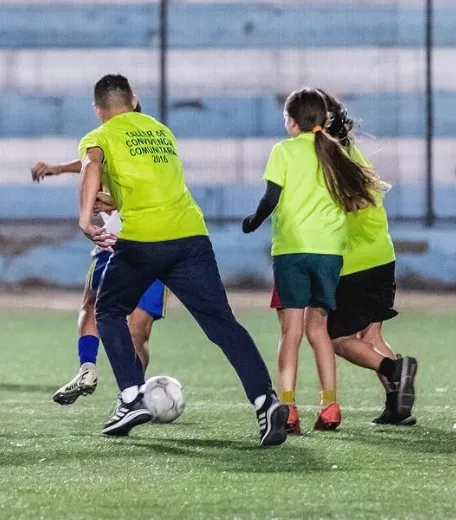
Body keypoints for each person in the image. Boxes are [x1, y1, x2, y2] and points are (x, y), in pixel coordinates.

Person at [78, 74, 287, 445]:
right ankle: (265, 400)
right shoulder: (161, 132)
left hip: (144, 240)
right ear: (133, 99)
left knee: (108, 311)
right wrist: (111, 200)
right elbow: (148, 190)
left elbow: (92, 165)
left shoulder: (101, 136)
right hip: (190, 236)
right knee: (223, 324)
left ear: (99, 110)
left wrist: (85, 216)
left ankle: (130, 398)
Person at [242, 87, 389, 433]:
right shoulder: (334, 151)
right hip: (329, 253)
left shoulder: (283, 151)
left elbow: (271, 197)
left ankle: (289, 407)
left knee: (290, 331)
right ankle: (330, 406)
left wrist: (252, 222)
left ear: (291, 122)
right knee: (319, 330)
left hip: (292, 250)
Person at [31, 102, 168, 405]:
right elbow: (90, 162)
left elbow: (149, 198)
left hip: (148, 247)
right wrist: (58, 168)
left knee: (136, 334)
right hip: (111, 245)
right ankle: (88, 369)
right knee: (92, 303)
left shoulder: (150, 152)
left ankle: (131, 394)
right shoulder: (111, 145)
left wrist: (108, 201)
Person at [316, 90, 418, 426]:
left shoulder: (324, 159)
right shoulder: (353, 150)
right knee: (372, 337)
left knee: (338, 340)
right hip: (382, 255)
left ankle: (394, 369)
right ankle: (398, 407)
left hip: (352, 261)